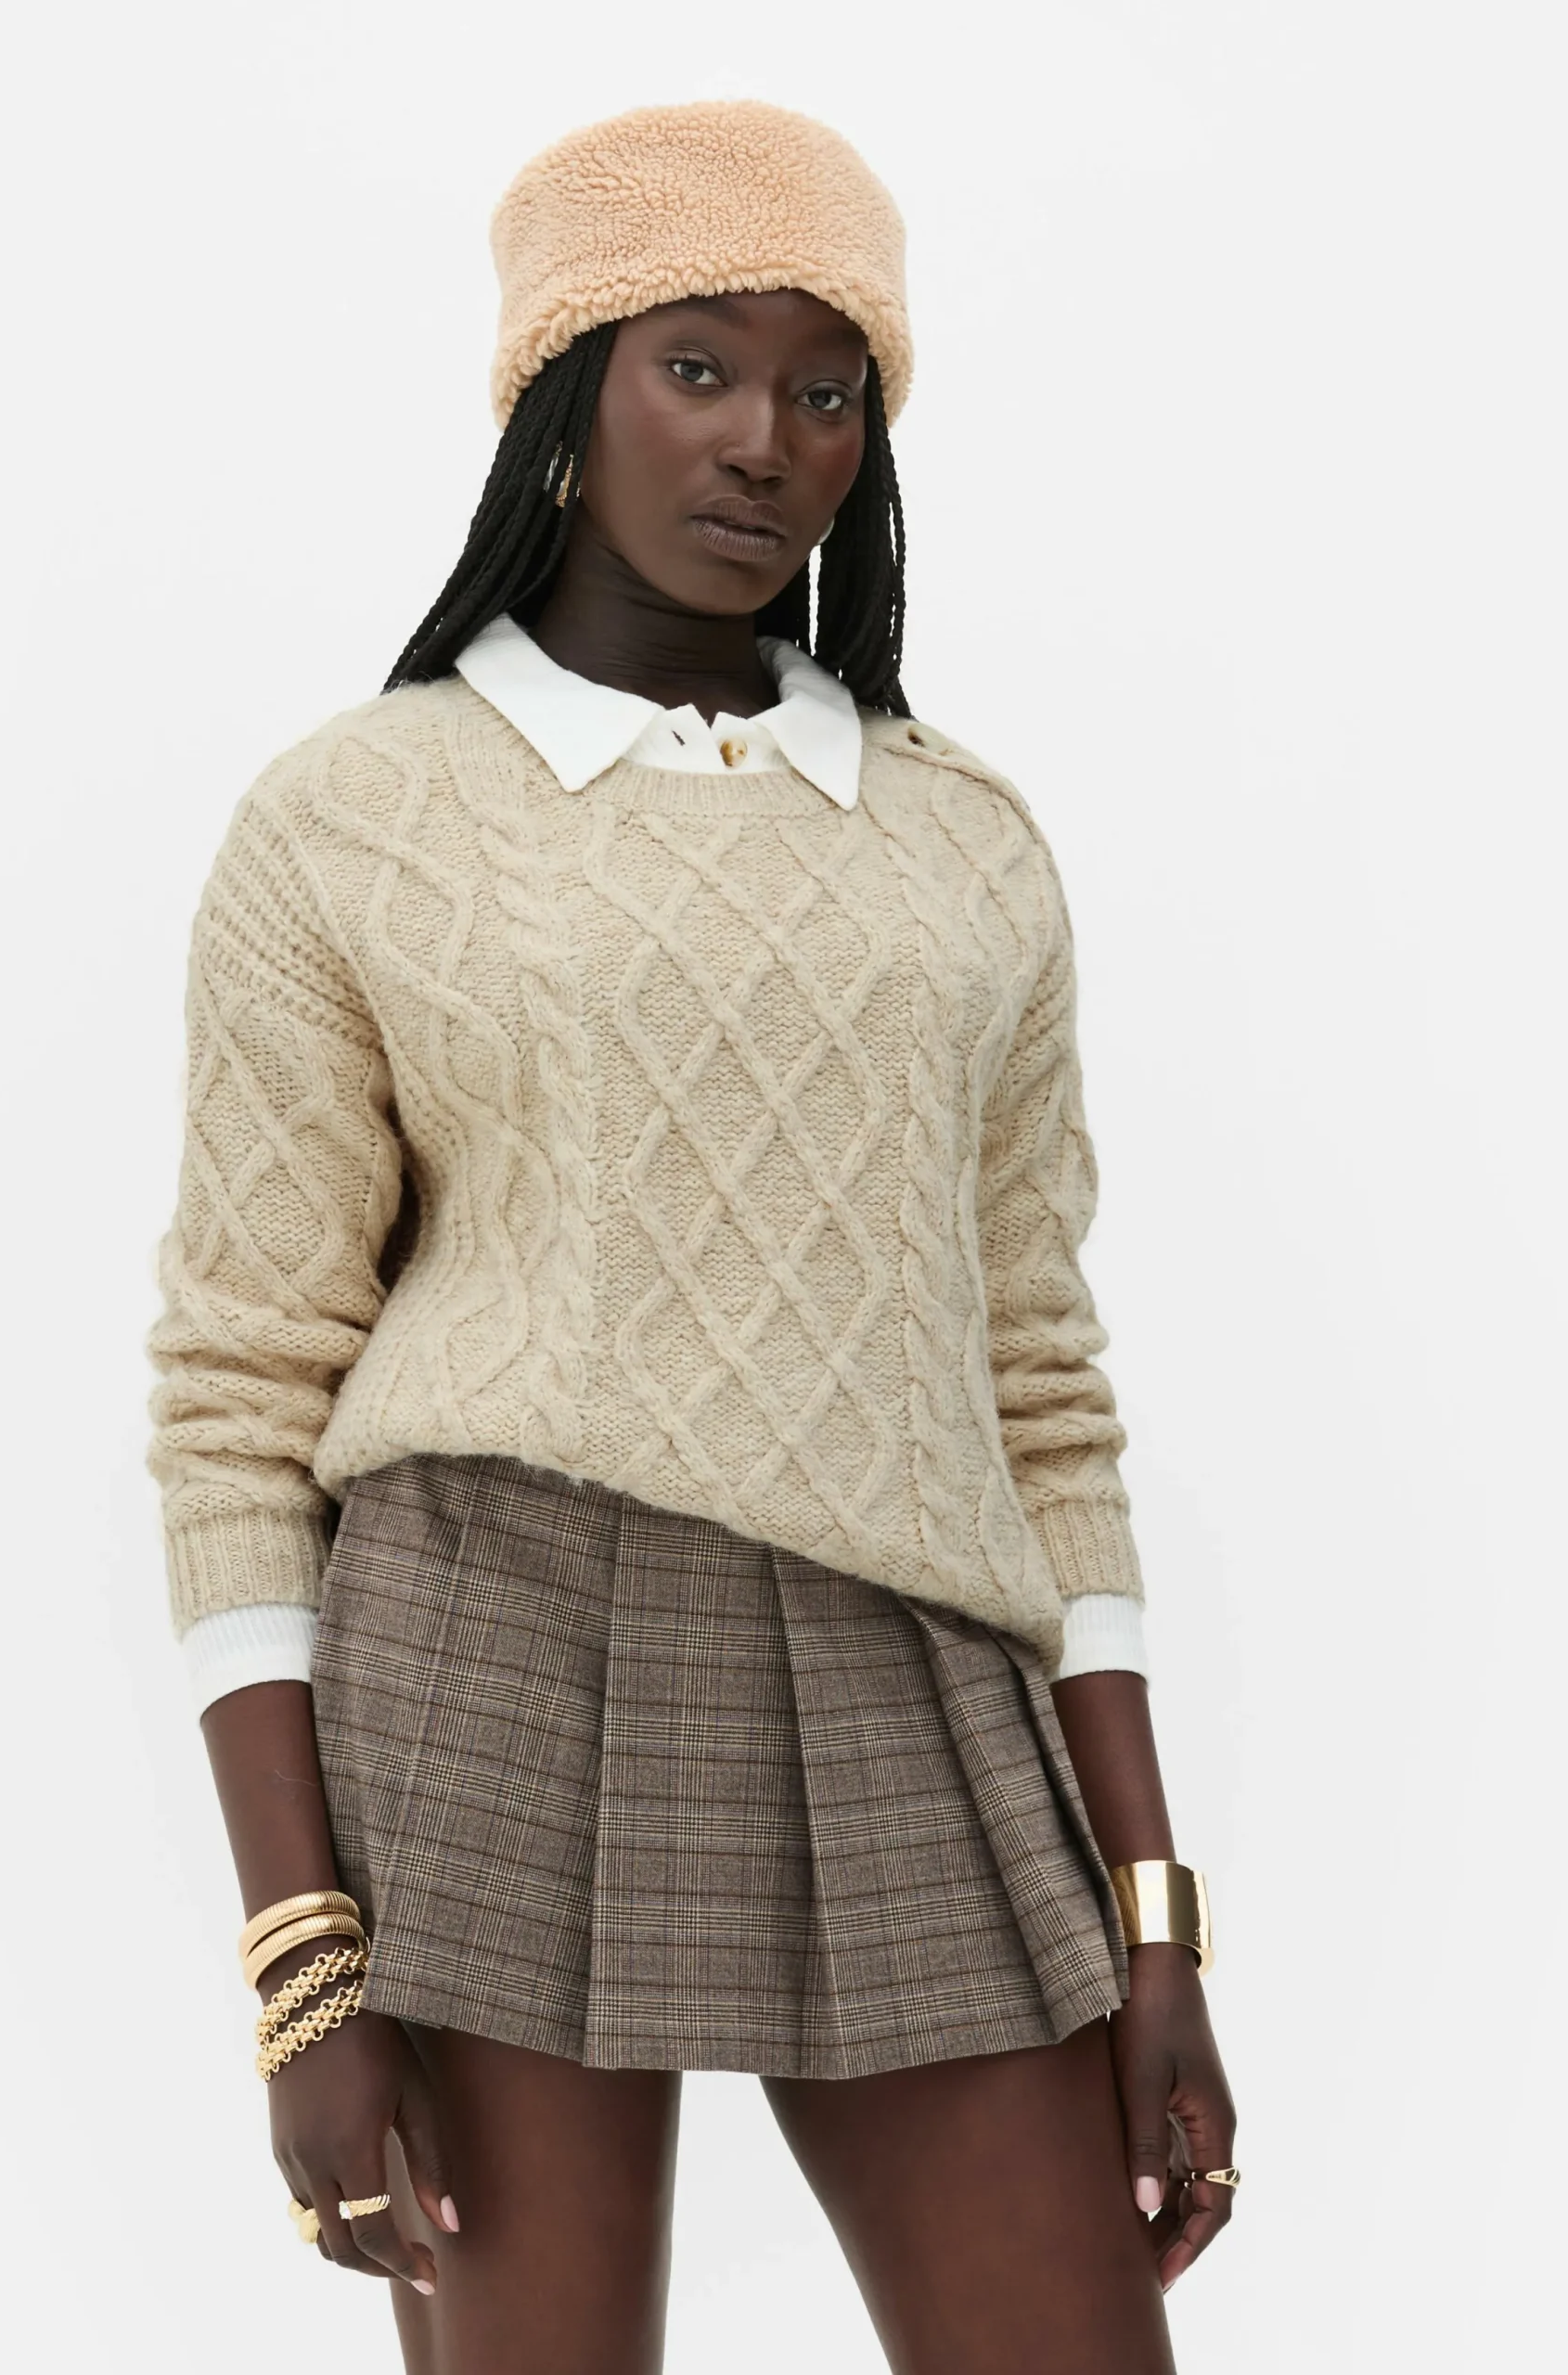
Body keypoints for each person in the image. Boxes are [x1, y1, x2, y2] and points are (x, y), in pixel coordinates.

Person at [144, 96, 1238, 2375]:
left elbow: (1041, 1380)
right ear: (567, 392)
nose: (765, 442)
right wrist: (302, 1963)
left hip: (911, 1671)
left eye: (827, 390)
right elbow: (241, 1388)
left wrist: (1158, 1926)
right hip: (497, 1648)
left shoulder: (963, 844)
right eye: (700, 368)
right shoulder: (355, 817)